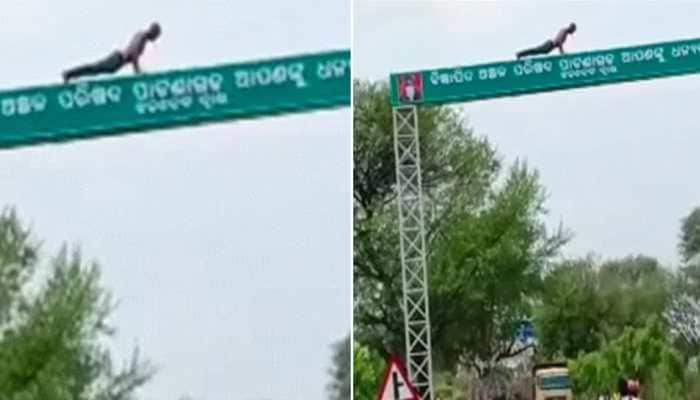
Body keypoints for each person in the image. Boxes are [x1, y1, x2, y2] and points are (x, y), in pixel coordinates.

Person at [62, 22, 162, 83]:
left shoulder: (141, 35)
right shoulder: (142, 37)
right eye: (156, 35)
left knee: (96, 69)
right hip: (118, 59)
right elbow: (134, 53)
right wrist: (138, 72)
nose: (155, 38)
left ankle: (70, 74)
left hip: (118, 60)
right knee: (95, 68)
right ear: (153, 32)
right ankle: (69, 73)